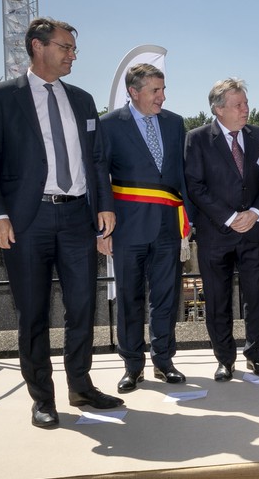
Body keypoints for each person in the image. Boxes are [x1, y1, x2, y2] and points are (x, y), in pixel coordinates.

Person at [0, 17, 122, 427]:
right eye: (65, 47)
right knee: (33, 312)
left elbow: (96, 159)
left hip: (77, 216)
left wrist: (104, 205)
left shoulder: (82, 99)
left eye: (73, 49)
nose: (72, 54)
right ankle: (42, 398)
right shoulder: (3, 97)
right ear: (38, 47)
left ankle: (80, 385)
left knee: (82, 305)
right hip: (26, 219)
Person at [99, 64, 190, 393]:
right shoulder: (108, 125)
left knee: (166, 299)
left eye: (163, 90)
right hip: (126, 229)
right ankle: (132, 365)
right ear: (133, 92)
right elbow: (99, 177)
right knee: (129, 299)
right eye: (155, 91)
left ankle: (164, 361)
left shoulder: (175, 123)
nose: (162, 97)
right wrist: (101, 230)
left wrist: (187, 221)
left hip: (167, 227)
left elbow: (180, 175)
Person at [184, 78, 259, 381]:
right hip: (216, 234)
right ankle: (225, 360)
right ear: (218, 109)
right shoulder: (197, 139)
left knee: (257, 298)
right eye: (239, 105)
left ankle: (256, 356)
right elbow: (195, 187)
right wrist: (229, 217)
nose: (246, 110)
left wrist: (254, 212)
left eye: (246, 103)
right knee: (217, 300)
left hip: (254, 232)